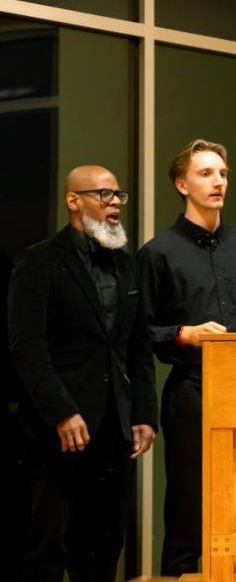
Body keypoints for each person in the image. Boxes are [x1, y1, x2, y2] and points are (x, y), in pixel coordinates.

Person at [137, 139, 236, 576]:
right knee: (188, 504)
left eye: (222, 173)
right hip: (192, 389)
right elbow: (138, 334)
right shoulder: (157, 253)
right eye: (205, 174)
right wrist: (185, 334)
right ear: (182, 184)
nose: (218, 181)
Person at [8, 166, 157, 581]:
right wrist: (62, 411)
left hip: (115, 427)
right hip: (57, 429)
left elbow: (138, 346)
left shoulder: (126, 264)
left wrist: (143, 413)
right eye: (104, 195)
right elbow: (26, 346)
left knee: (104, 544)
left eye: (118, 196)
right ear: (74, 201)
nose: (115, 204)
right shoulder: (38, 261)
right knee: (48, 543)